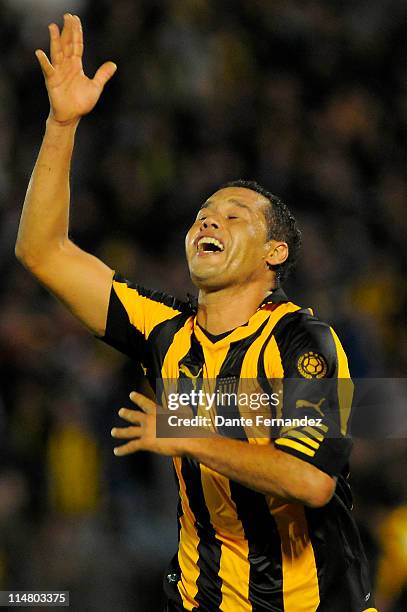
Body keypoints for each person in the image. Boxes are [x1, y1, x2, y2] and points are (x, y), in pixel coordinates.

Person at [15, 14, 377, 612]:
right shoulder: (162, 327)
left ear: (274, 252)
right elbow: (42, 251)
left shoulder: (305, 341)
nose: (210, 219)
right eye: (205, 212)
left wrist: (186, 432)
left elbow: (310, 480)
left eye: (235, 214)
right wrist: (61, 124)